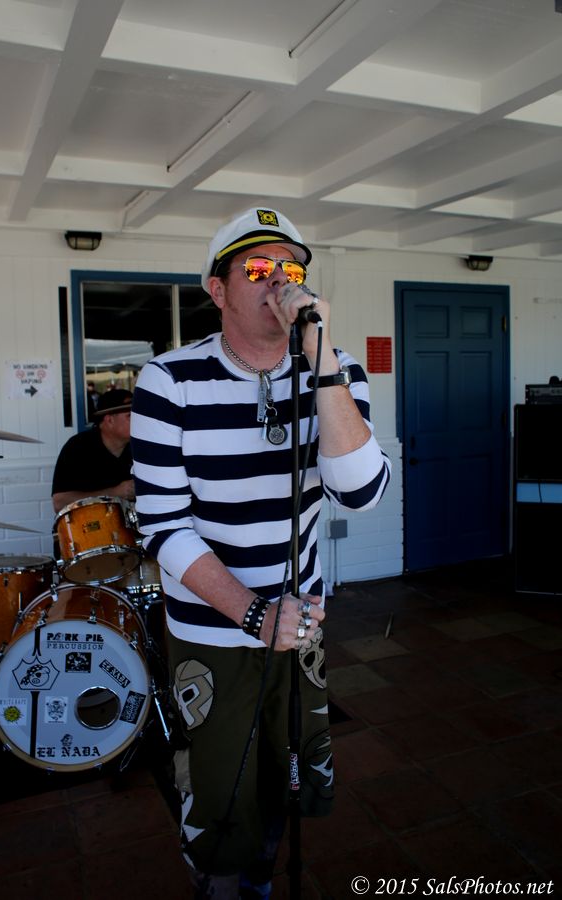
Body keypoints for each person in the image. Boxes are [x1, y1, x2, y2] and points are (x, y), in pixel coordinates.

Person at [130, 208, 391, 899]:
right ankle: (221, 880)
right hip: (213, 629)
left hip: (298, 623)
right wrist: (253, 615)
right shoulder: (170, 380)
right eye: (258, 267)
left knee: (287, 767)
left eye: (291, 267)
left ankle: (262, 877)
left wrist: (320, 357)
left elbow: (361, 492)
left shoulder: (335, 369)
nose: (280, 280)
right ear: (217, 290)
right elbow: (163, 526)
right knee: (221, 776)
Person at [51, 388, 135, 514]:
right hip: (91, 524)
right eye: (130, 416)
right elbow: (59, 503)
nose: (140, 420)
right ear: (110, 420)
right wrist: (115, 493)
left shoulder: (141, 447)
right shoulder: (78, 447)